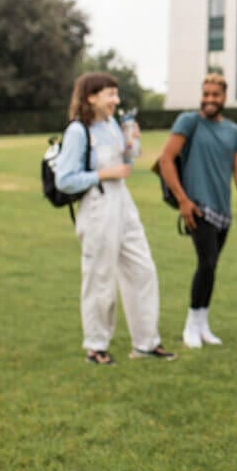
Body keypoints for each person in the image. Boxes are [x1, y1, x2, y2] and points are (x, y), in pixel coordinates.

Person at [55, 72, 176, 365]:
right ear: (90, 97)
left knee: (143, 269)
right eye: (110, 94)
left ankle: (146, 343)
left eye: (116, 94)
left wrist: (131, 144)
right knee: (100, 277)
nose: (116, 100)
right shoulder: (78, 131)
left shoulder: (111, 124)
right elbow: (65, 179)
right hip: (97, 206)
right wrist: (104, 174)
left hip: (123, 202)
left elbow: (127, 160)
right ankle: (96, 346)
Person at [156, 73, 237, 349]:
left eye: (215, 95)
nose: (209, 100)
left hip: (223, 211)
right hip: (197, 208)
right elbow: (165, 160)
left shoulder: (234, 132)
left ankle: (203, 324)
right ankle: (191, 325)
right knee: (206, 263)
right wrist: (183, 200)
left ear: (225, 97)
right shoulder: (189, 121)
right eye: (206, 94)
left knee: (211, 266)